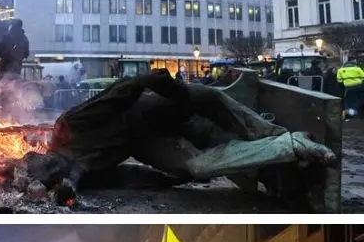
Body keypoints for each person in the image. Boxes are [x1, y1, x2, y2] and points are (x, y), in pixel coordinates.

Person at [26, 71, 337, 201]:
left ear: (49, 154)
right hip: (144, 140)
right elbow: (128, 175)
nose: (63, 172)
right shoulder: (80, 177)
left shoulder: (68, 126)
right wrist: (170, 179)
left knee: (211, 99)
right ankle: (289, 145)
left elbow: (126, 88)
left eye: (55, 167)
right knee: (198, 167)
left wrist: (179, 93)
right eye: (58, 176)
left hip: (152, 110)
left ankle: (270, 132)